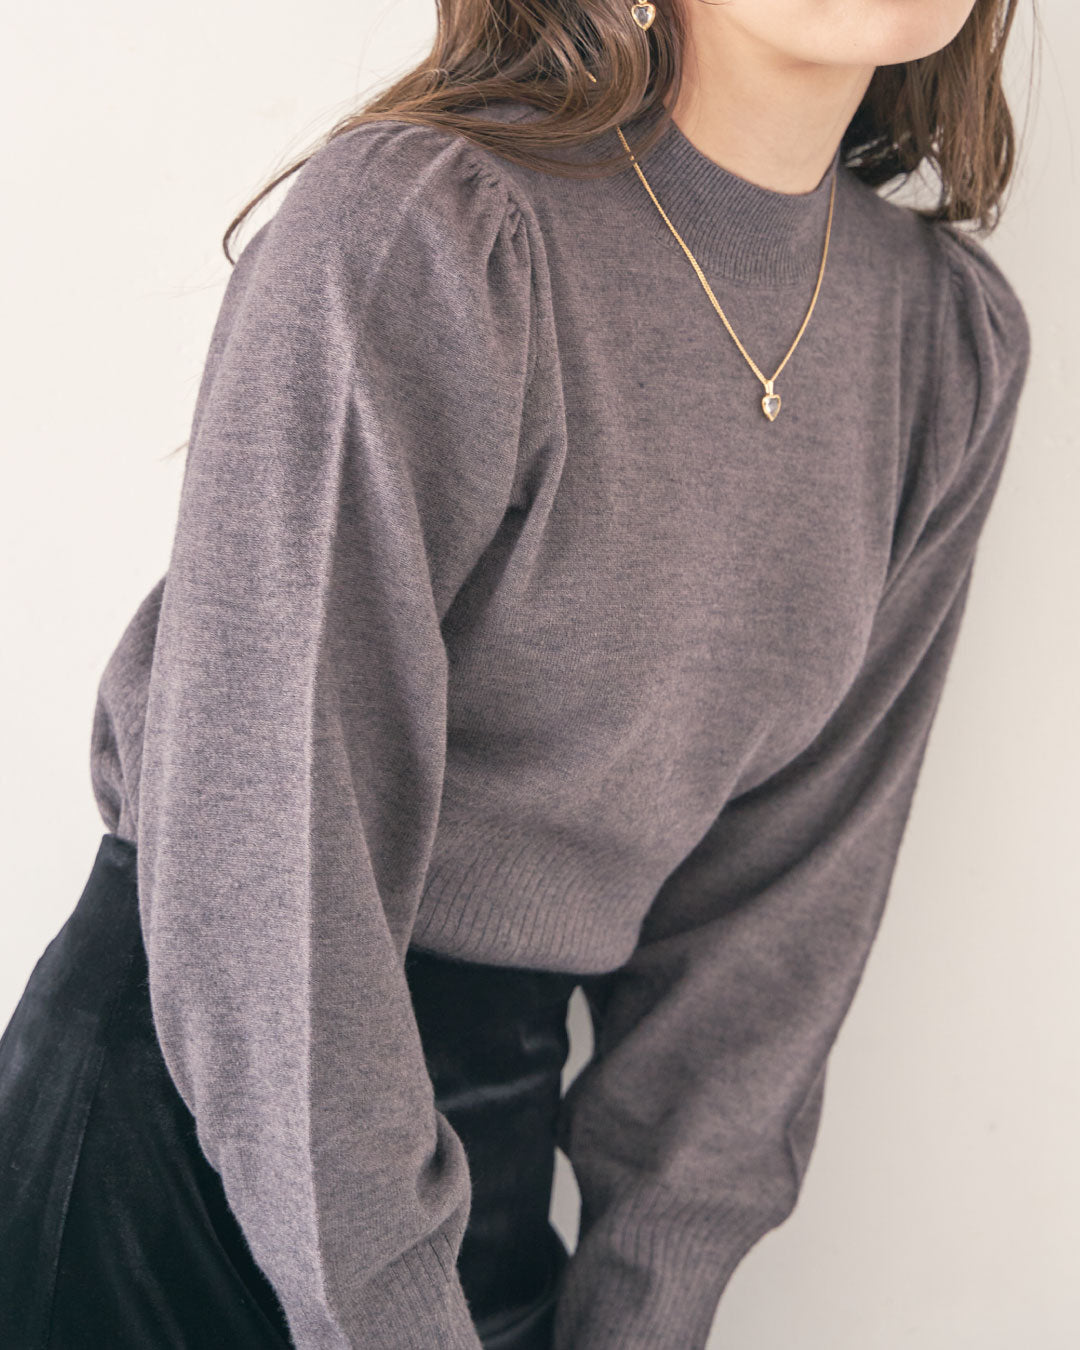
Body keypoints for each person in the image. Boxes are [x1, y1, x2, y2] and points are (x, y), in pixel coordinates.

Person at [0, 0, 1033, 1347]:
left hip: (491, 1144)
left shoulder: (942, 349)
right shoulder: (430, 230)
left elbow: (776, 934)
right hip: (181, 1154)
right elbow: (267, 873)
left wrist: (641, 1316)